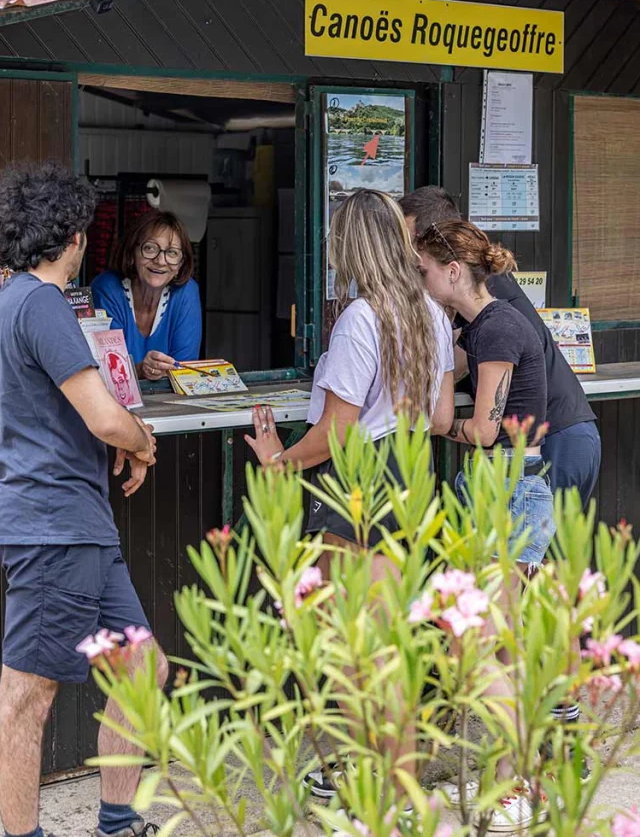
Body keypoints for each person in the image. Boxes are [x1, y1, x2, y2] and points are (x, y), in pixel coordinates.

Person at [245, 188, 455, 801]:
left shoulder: (362, 317)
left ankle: (374, 787)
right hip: (413, 477)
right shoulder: (431, 314)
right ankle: (398, 788)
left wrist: (279, 460)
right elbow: (441, 419)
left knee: (353, 650)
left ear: (348, 245)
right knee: (392, 648)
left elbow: (336, 432)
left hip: (361, 482)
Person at [0, 163, 166, 837]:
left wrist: (123, 436)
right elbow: (103, 416)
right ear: (73, 235)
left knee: (142, 666)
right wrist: (142, 441)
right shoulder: (41, 302)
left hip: (77, 525)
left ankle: (120, 820)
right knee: (26, 694)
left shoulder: (11, 297)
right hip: (54, 527)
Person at [415, 218, 555, 830]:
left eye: (422, 271)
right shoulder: (484, 325)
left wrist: (433, 421)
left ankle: (522, 779)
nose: (419, 281)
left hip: (508, 488)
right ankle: (513, 778)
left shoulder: (495, 327)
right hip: (506, 488)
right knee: (490, 642)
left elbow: (486, 429)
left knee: (478, 643)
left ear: (452, 271)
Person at [399, 187, 601, 510]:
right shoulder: (477, 296)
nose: (408, 258)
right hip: (545, 441)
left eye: (410, 243)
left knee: (545, 559)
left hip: (557, 438)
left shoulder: (488, 300)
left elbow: (456, 366)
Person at [92, 211, 202, 381]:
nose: (160, 261)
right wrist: (140, 370)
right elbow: (108, 371)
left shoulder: (187, 293)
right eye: (150, 248)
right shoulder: (107, 289)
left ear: (180, 264)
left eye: (172, 253)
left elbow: (184, 370)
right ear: (132, 253)